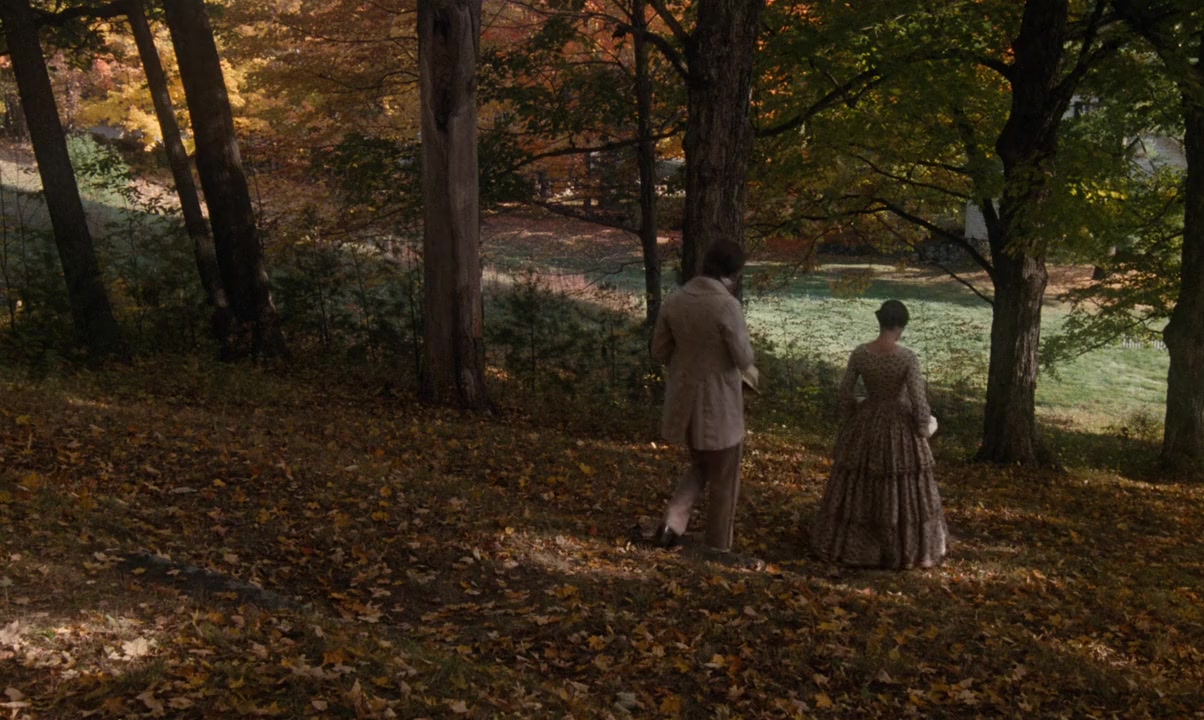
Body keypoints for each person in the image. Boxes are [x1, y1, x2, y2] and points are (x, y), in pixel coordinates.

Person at [810, 299, 948, 569]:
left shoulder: (861, 354)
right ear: (901, 326)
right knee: (898, 483)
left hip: (867, 423)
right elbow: (919, 401)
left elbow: (844, 393)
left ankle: (859, 548)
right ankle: (900, 548)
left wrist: (851, 417)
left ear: (880, 321)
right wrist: (924, 428)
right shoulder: (906, 358)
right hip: (899, 429)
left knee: (861, 483)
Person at [650, 240, 757, 557]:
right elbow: (743, 357)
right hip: (720, 404)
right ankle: (718, 545)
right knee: (725, 475)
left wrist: (688, 363)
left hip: (684, 402)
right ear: (734, 272)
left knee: (701, 465)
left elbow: (659, 350)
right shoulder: (726, 306)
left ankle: (672, 523)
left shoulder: (676, 300)